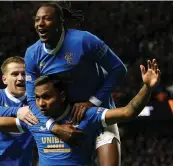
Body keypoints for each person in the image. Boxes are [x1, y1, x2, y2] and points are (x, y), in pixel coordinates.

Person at [0, 59, 161, 165]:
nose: (40, 103)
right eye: (37, 98)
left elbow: (128, 112)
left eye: (46, 97)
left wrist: (147, 88)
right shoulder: (30, 115)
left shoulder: (84, 114)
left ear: (62, 95)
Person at [24, 2, 127, 165]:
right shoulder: (32, 54)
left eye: (47, 19)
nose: (40, 24)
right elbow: (31, 98)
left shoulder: (84, 40)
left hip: (97, 113)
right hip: (65, 121)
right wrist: (54, 127)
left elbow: (118, 69)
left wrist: (92, 101)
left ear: (60, 23)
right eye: (37, 19)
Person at [0, 56, 39, 166]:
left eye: (24, 74)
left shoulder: (35, 100)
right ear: (4, 79)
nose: (21, 78)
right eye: (15, 74)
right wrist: (17, 111)